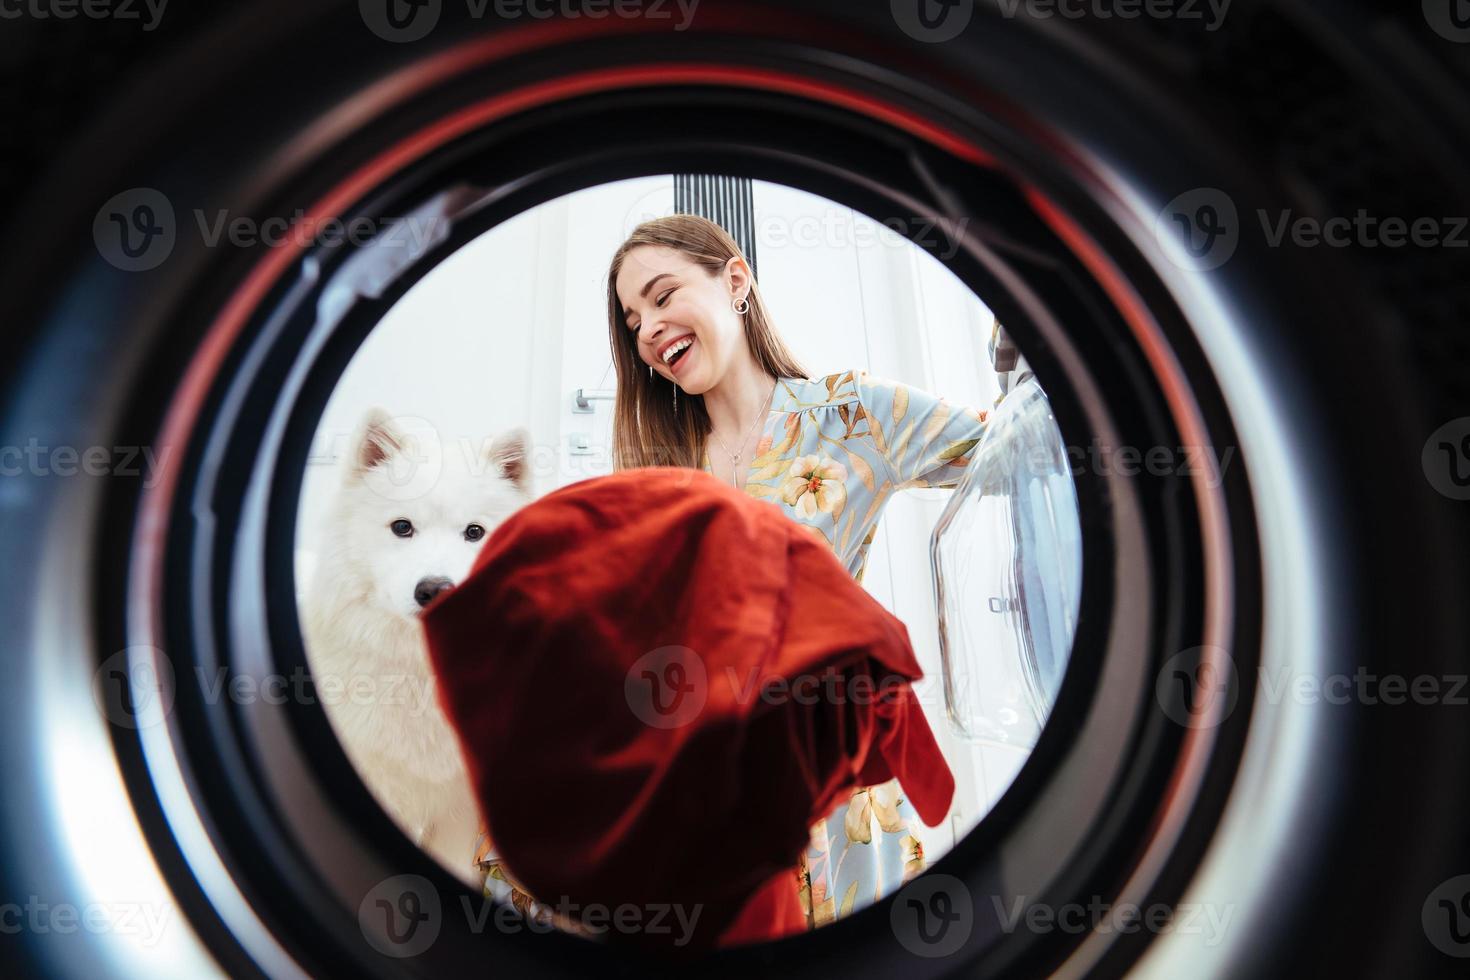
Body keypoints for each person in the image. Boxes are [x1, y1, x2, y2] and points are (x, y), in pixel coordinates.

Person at [602, 213, 992, 931]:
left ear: (736, 281)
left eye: (662, 296)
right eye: (632, 321)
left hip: (833, 776)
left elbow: (1011, 450)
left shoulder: (851, 414)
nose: (648, 329)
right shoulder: (654, 472)